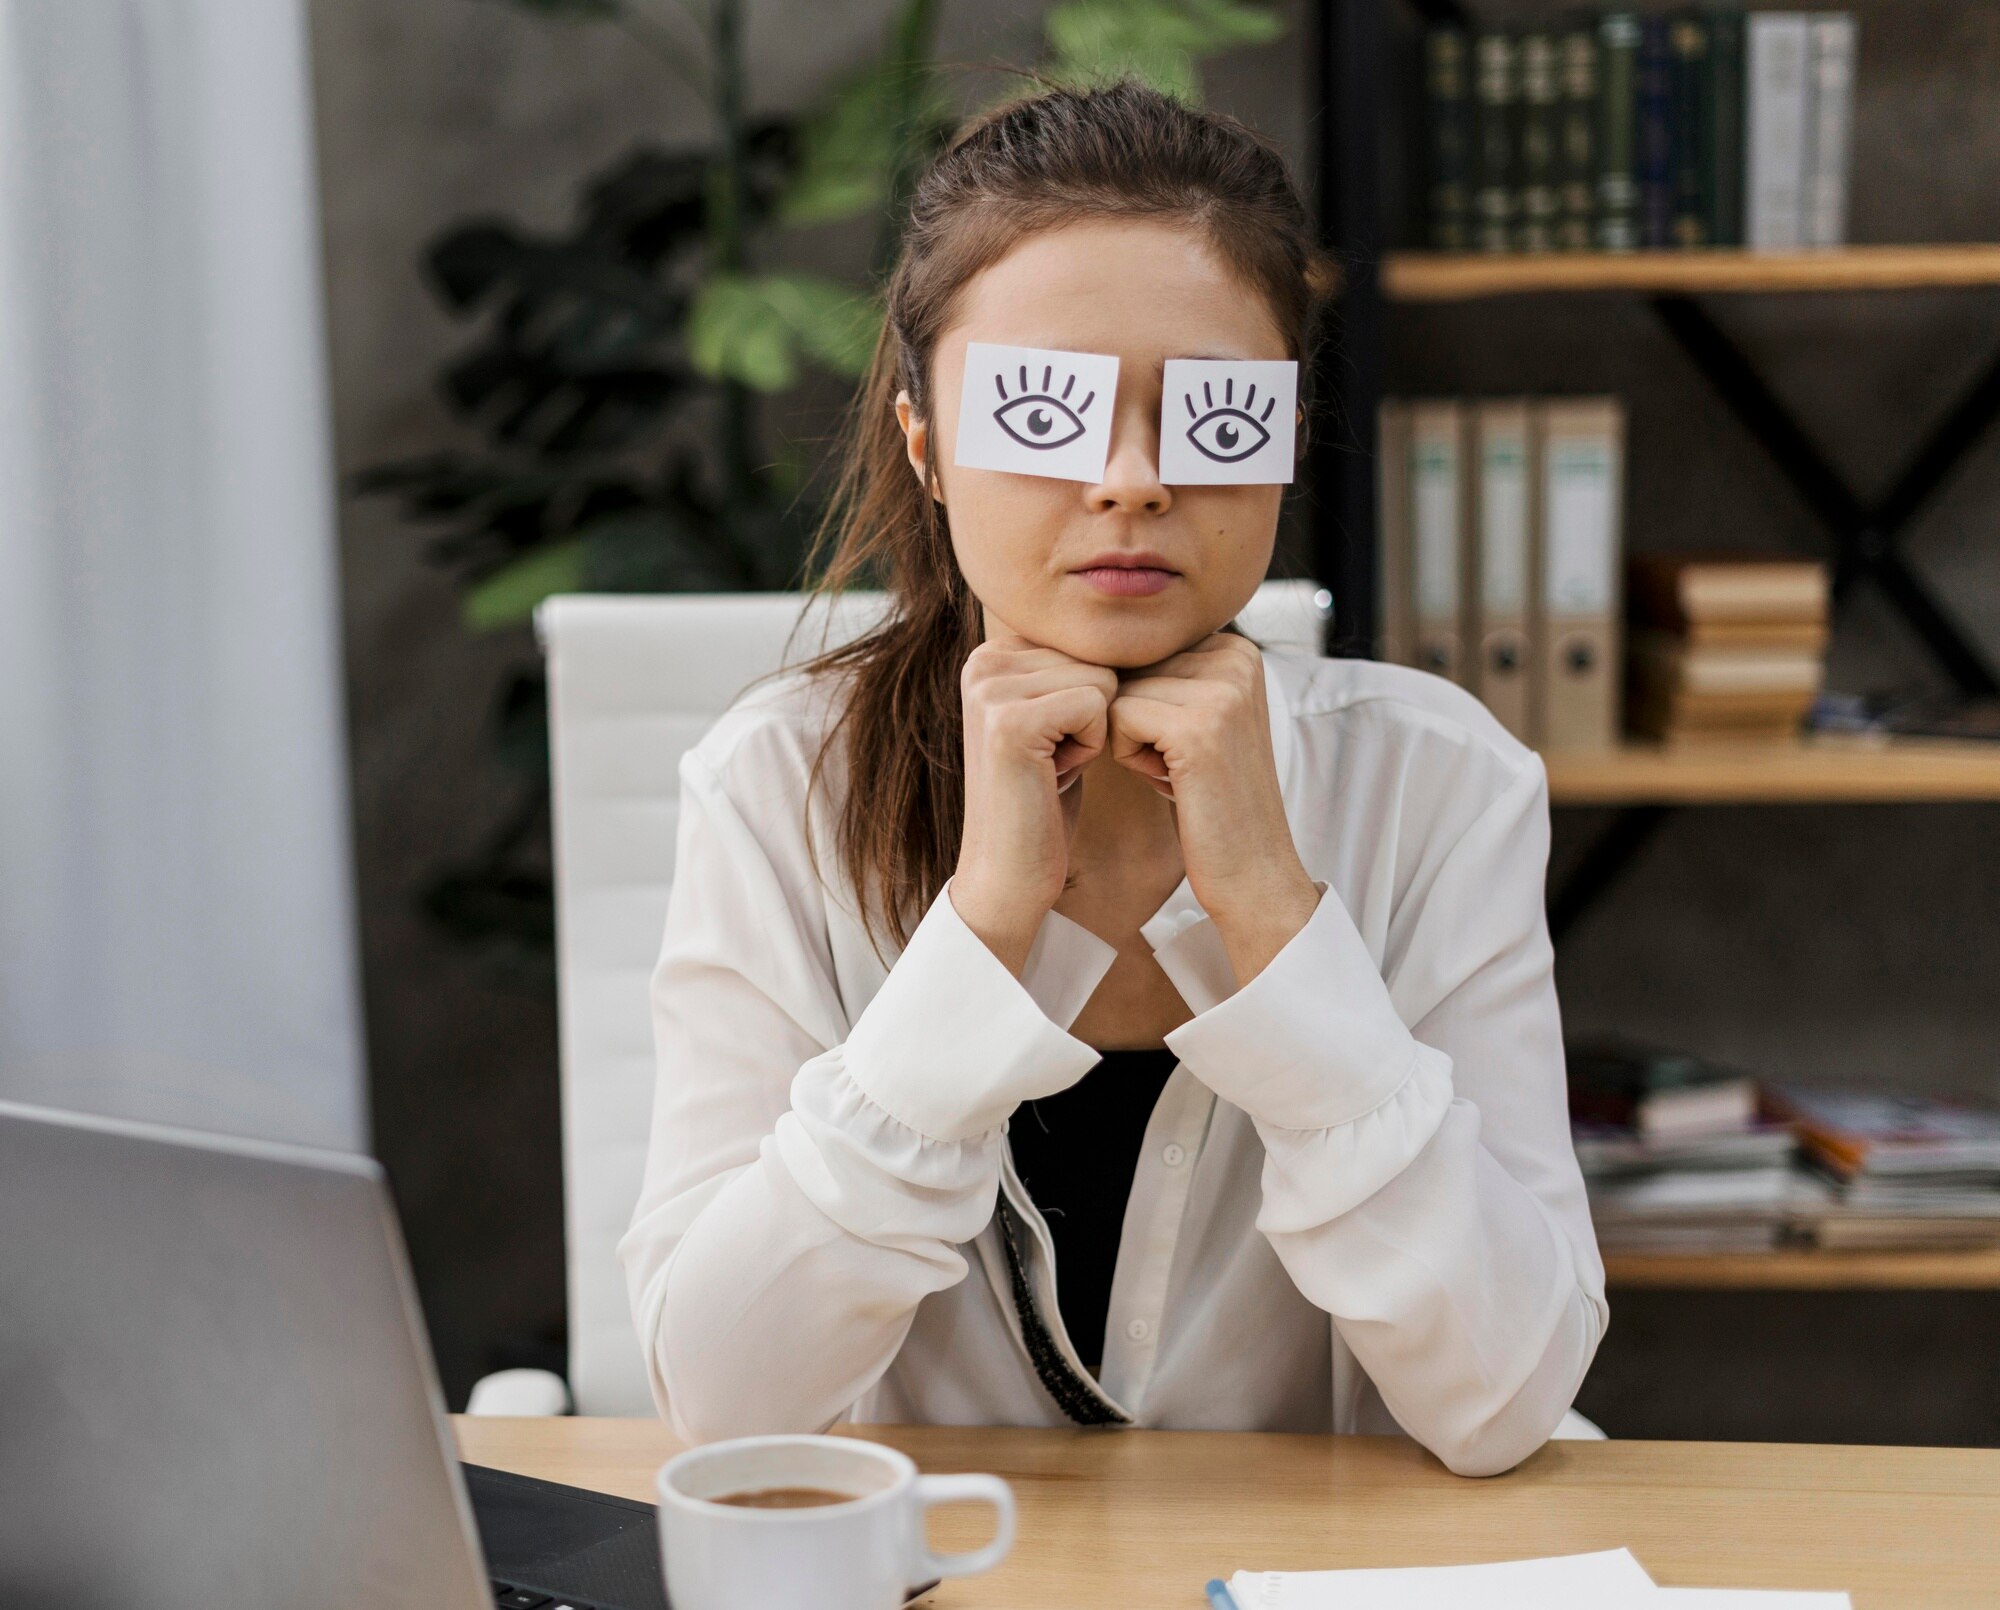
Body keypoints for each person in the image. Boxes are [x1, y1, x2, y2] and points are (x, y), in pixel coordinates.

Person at [617, 80, 1607, 1477]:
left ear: (1282, 437)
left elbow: (1505, 1400)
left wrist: (1273, 915)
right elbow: (726, 1401)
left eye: (1208, 413)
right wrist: (983, 927)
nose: (1132, 481)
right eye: (1049, 409)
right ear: (926, 440)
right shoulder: (777, 786)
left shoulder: (1440, 787)